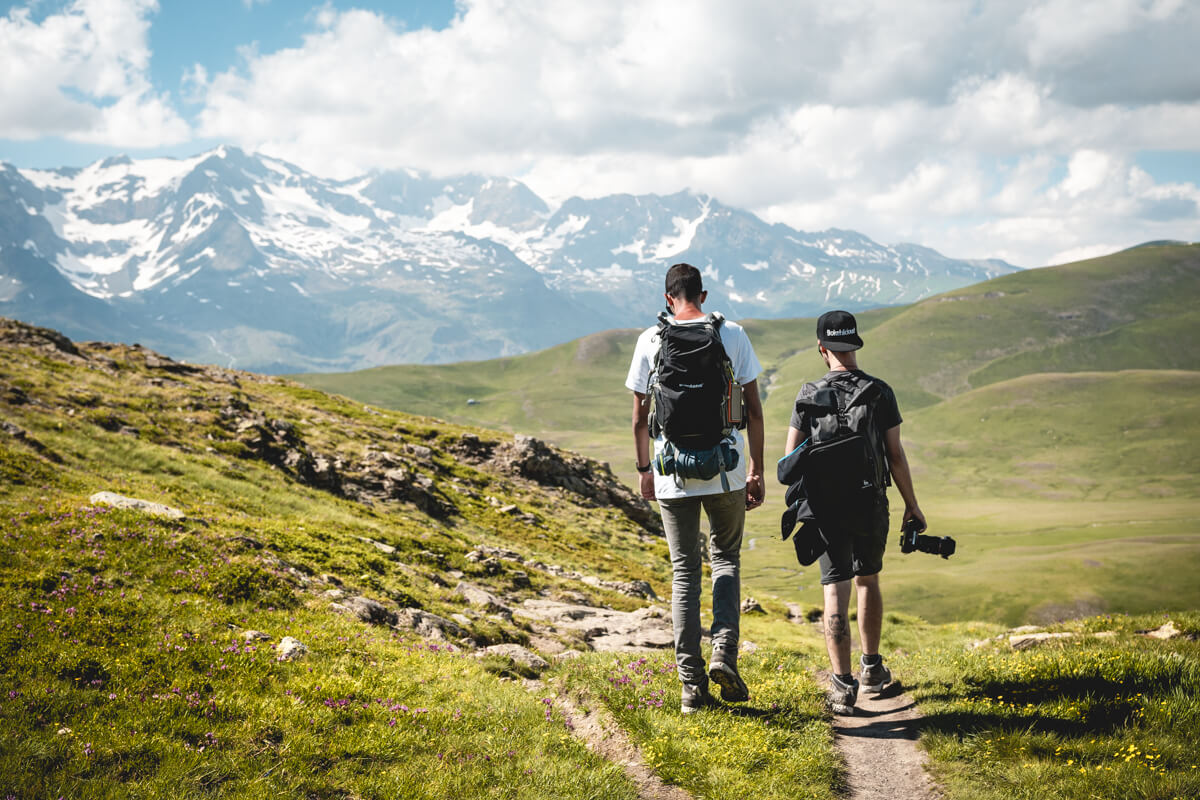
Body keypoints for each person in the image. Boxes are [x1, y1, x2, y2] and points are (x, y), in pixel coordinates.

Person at [626, 263, 765, 713]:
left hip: (671, 473)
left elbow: (637, 417)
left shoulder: (650, 340)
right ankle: (724, 652)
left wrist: (645, 469)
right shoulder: (733, 334)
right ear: (702, 295)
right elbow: (754, 411)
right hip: (725, 469)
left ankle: (691, 688)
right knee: (725, 559)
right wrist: (756, 471)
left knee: (684, 573)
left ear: (669, 298)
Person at [784, 310, 925, 715]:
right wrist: (912, 505)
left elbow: (790, 458)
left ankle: (842, 686)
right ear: (856, 345)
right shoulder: (880, 392)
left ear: (821, 348)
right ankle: (871, 668)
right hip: (870, 504)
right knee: (868, 580)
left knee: (835, 591)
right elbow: (895, 455)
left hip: (826, 510)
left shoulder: (807, 395)